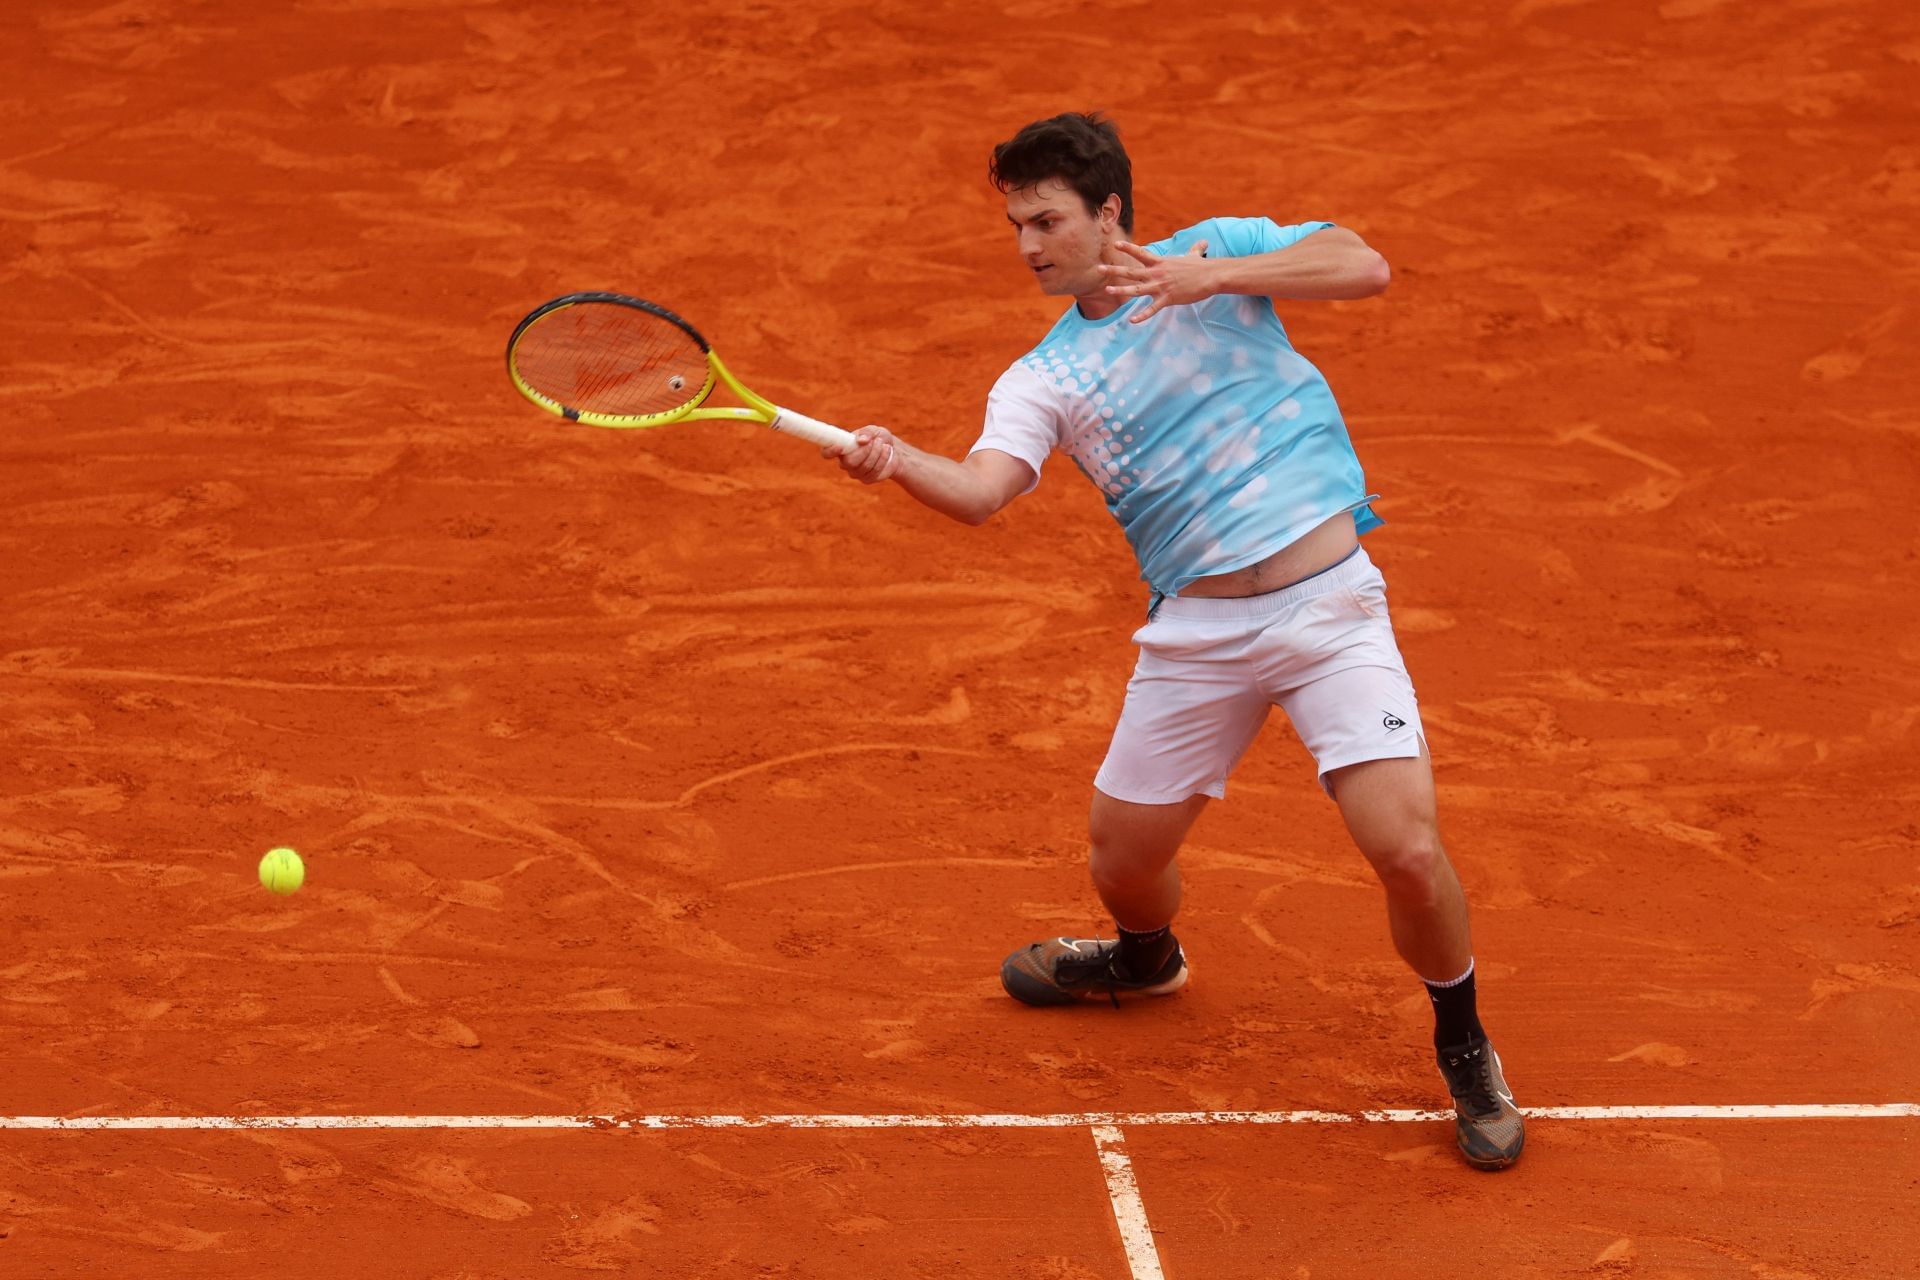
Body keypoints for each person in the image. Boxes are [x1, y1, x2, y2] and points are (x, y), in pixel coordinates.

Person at [824, 112, 1523, 1170]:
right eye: (1016, 224)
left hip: (1330, 610)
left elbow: (1362, 265)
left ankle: (1464, 1038)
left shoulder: (1222, 254)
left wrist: (1206, 280)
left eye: (1047, 219)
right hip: (1196, 634)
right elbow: (978, 490)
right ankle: (1146, 958)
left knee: (1411, 853)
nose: (1028, 245)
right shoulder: (1043, 377)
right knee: (1124, 859)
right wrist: (896, 459)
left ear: (1110, 213)